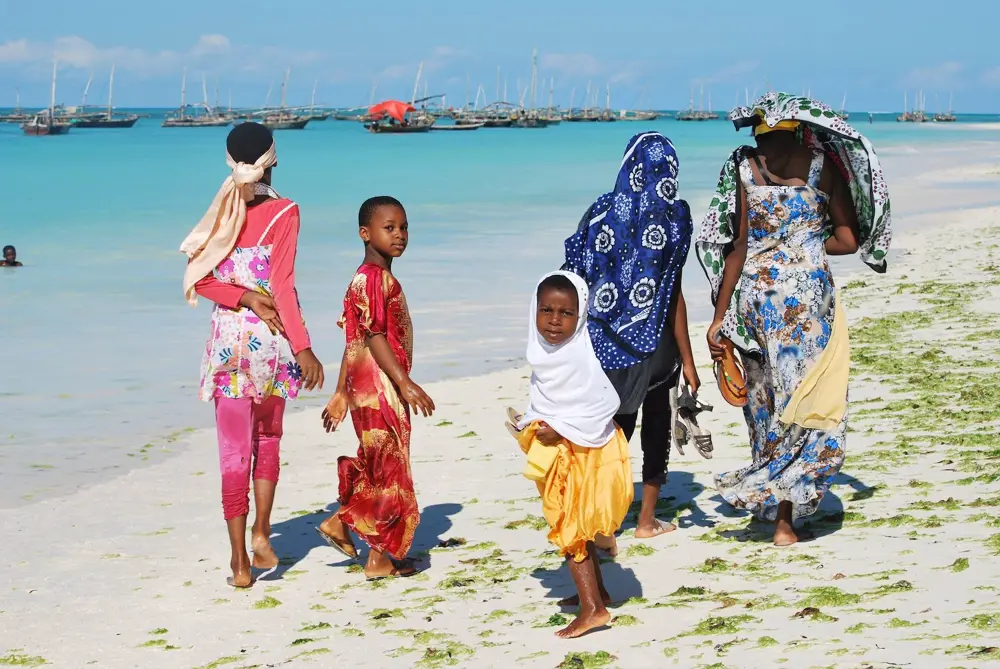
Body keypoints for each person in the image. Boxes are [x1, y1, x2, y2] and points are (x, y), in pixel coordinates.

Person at [697, 92, 892, 546]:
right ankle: (785, 519)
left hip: (757, 300)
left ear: (758, 130)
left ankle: (767, 502)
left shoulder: (745, 169)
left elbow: (736, 246)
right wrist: (804, 246)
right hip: (807, 304)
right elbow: (846, 240)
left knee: (764, 401)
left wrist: (719, 317)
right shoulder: (822, 166)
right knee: (807, 400)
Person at [181, 122, 325, 587]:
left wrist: (240, 297)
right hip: (271, 346)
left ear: (229, 161)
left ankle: (239, 562)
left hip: (227, 347)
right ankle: (263, 533)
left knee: (232, 452)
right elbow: (282, 287)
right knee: (268, 439)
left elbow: (201, 280)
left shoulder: (220, 212)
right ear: (273, 159)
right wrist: (304, 348)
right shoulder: (286, 212)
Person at [560, 132, 702, 542]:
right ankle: (646, 521)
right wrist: (689, 361)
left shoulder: (602, 210)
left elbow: (574, 276)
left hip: (605, 344)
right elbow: (672, 292)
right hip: (659, 342)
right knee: (656, 423)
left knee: (611, 429)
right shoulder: (676, 218)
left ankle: (605, 525)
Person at [318, 196, 435, 580]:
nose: (399, 235)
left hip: (363, 386)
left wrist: (340, 392)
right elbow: (374, 334)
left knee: (380, 464)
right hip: (380, 387)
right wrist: (404, 382)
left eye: (403, 227)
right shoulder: (372, 278)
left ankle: (344, 526)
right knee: (391, 468)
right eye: (390, 228)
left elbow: (353, 343)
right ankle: (377, 556)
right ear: (365, 234)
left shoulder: (366, 277)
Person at [514, 271, 633, 639]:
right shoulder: (544, 353)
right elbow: (548, 400)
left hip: (583, 453)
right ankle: (599, 592)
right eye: (546, 310)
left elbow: (603, 404)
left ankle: (593, 609)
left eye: (565, 313)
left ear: (580, 317)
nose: (554, 321)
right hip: (561, 450)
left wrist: (561, 428)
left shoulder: (581, 357)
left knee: (570, 528)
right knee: (576, 524)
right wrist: (534, 422)